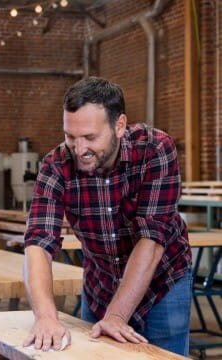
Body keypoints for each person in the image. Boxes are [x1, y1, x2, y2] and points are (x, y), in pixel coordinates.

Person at [23, 77, 192, 356]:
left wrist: (117, 316)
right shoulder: (55, 166)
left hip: (163, 283)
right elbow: (38, 243)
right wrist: (45, 317)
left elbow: (151, 240)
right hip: (100, 283)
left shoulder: (156, 150)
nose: (79, 149)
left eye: (90, 137)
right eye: (70, 137)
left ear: (120, 125)